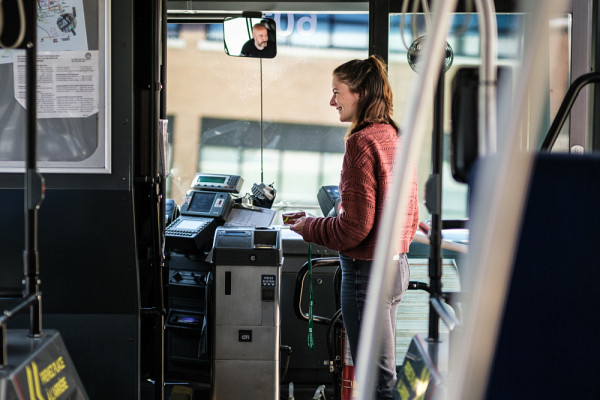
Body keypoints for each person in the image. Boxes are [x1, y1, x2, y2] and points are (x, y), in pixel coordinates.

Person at [290, 55, 419, 399]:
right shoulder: (393, 135)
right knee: (385, 374)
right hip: (396, 268)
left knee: (377, 381)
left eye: (337, 92)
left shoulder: (360, 142)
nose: (332, 101)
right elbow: (410, 213)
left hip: (367, 274)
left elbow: (353, 229)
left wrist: (308, 226)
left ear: (360, 93)